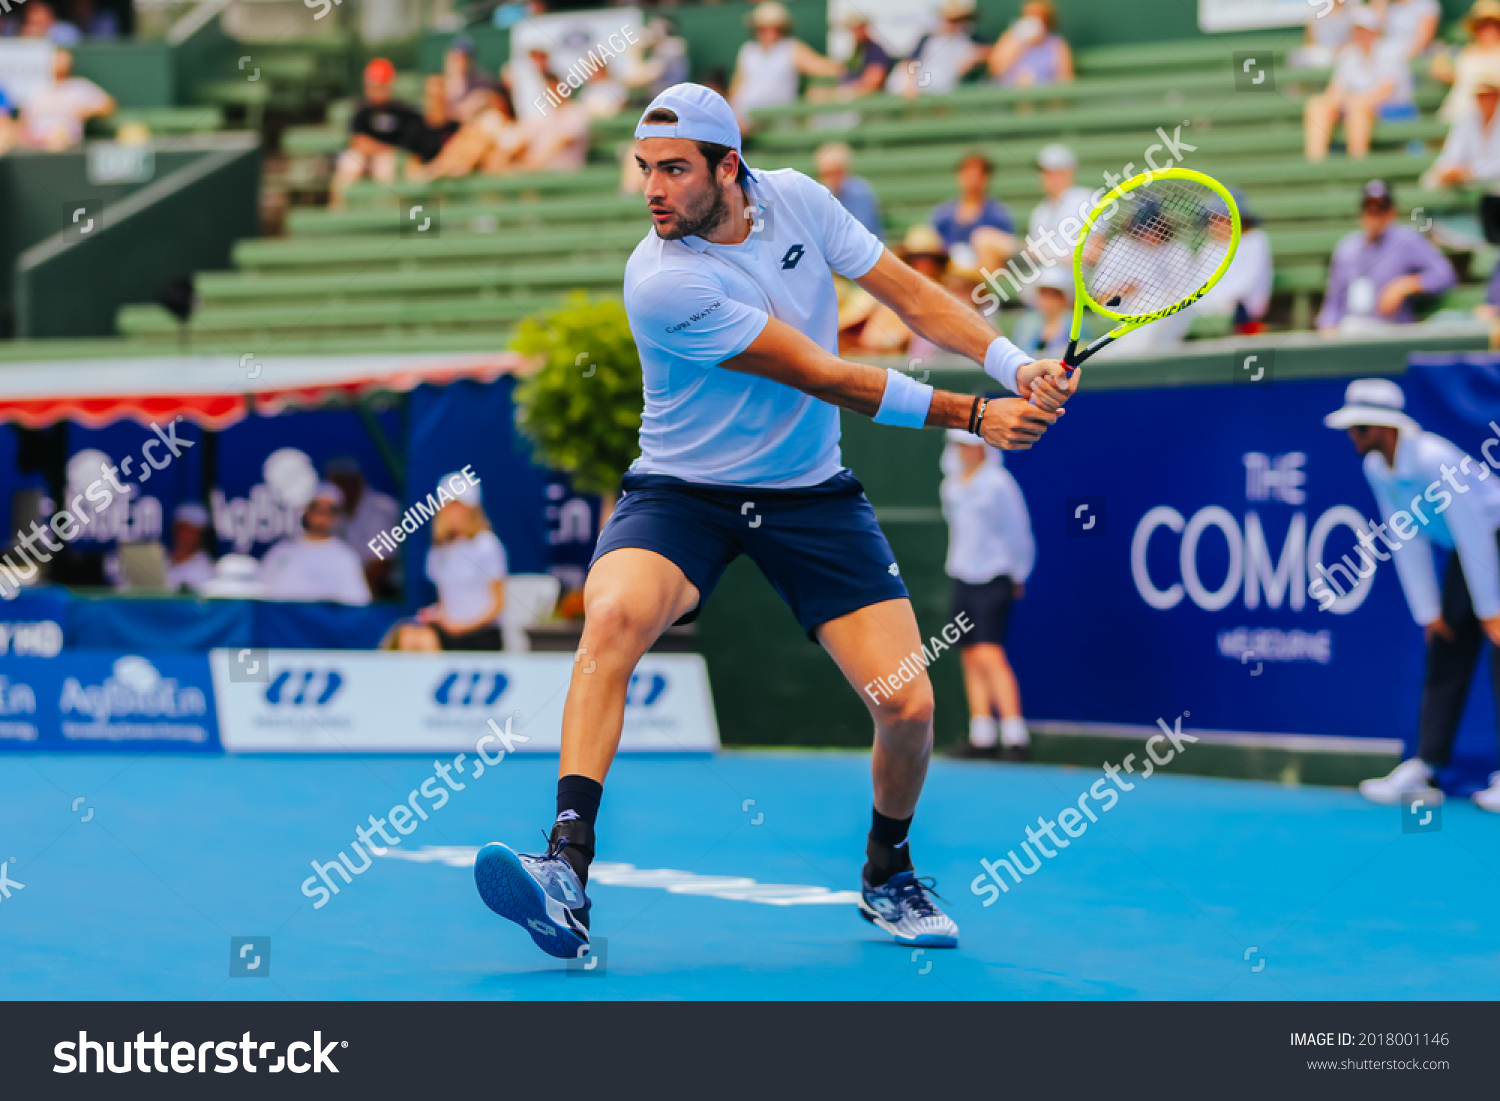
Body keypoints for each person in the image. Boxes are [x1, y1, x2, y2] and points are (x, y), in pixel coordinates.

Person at [470, 83, 1076, 962]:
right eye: (645, 169)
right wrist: (975, 415)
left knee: (907, 703)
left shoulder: (798, 198)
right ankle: (566, 865)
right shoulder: (661, 279)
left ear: (728, 165)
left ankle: (888, 872)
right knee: (611, 619)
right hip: (684, 492)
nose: (654, 189)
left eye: (674, 169)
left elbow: (905, 291)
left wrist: (1016, 366)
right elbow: (824, 375)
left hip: (808, 492)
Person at [1322, 379, 1500, 813]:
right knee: (1446, 642)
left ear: (1386, 428)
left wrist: (1491, 610)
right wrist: (1429, 611)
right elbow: (1404, 536)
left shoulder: (1434, 460)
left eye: (1360, 428)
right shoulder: (1377, 468)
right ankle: (1426, 769)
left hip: (1488, 539)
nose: (1352, 436)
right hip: (1470, 551)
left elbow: (1475, 531)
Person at [939, 430, 1035, 760]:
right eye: (960, 445)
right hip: (962, 576)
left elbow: (1017, 530)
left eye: (972, 445)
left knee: (990, 654)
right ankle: (982, 735)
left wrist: (1018, 572)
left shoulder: (998, 484)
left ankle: (1014, 736)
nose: (966, 451)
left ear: (983, 447)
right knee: (969, 653)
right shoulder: (950, 485)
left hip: (995, 576)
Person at [1316, 180, 1456, 333]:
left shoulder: (1406, 240)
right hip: (1350, 334)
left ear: (1391, 212)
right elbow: (1332, 307)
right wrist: (1328, 330)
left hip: (1391, 331)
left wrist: (1405, 285)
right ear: (1361, 213)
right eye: (1369, 209)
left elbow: (1445, 274)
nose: (1374, 216)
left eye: (1380, 209)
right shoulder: (1346, 248)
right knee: (1349, 327)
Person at [330, 59, 454, 208]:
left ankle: (384, 216)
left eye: (381, 86)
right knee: (350, 162)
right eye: (374, 86)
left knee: (386, 164)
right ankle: (337, 212)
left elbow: (415, 140)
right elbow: (358, 142)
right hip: (364, 158)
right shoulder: (361, 111)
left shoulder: (402, 112)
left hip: (390, 160)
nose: (377, 91)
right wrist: (384, 149)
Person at [1305, 7, 1416, 162]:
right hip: (1359, 106)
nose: (1360, 34)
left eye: (1364, 29)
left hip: (1393, 108)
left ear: (1374, 30)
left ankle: (1357, 162)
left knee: (1357, 106)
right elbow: (1335, 90)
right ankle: (1315, 164)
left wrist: (1351, 101)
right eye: (1357, 30)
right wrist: (1336, 101)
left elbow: (1385, 91)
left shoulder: (1390, 52)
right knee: (1317, 105)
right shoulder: (1348, 55)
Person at [419, 474, 506, 650]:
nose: (453, 512)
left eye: (459, 506)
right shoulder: (438, 550)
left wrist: (464, 627)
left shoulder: (487, 545)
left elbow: (499, 603)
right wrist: (438, 617)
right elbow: (443, 600)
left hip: (482, 637)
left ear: (472, 510)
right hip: (448, 637)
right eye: (448, 506)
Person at [728, 1, 843, 128]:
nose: (770, 33)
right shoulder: (747, 50)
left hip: (772, 116)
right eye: (764, 28)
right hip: (743, 114)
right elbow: (736, 88)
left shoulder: (791, 48)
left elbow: (824, 67)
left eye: (776, 28)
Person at [259, 484, 372, 605]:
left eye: (330, 510)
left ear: (337, 515)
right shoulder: (280, 552)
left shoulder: (346, 558)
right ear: (306, 511)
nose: (322, 514)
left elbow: (357, 605)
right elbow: (261, 597)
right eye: (316, 507)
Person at [1192, 192, 1274, 333]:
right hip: (1210, 308)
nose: (1217, 224)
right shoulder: (1209, 248)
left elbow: (1245, 285)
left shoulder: (1256, 240)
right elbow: (1198, 284)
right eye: (1214, 219)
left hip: (1245, 311)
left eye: (1223, 219)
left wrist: (1216, 301)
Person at [930, 152, 1018, 279]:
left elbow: (1004, 256)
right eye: (968, 173)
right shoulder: (943, 214)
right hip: (948, 273)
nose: (972, 179)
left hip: (980, 277)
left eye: (977, 174)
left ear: (986, 178)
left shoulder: (998, 215)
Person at [326, 456, 400, 600]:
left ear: (357, 481)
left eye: (344, 483)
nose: (340, 489)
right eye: (335, 483)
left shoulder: (383, 509)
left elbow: (380, 567)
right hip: (341, 592)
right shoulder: (332, 510)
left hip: (382, 593)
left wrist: (344, 588)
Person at [889, 0, 988, 98]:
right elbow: (909, 63)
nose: (954, 24)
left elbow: (990, 51)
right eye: (950, 20)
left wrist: (975, 56)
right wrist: (910, 84)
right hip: (921, 91)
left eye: (959, 20)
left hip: (946, 92)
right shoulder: (928, 39)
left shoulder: (970, 39)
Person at [18, 49, 113, 151]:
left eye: (64, 61)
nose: (61, 65)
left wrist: (88, 111)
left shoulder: (79, 86)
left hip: (63, 135)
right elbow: (23, 121)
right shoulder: (38, 90)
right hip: (35, 136)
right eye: (58, 61)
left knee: (56, 137)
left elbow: (109, 105)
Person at [1024, 143, 1094, 272]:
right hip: (1045, 278)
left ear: (1068, 172)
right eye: (1044, 172)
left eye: (1051, 172)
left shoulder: (1088, 199)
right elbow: (1035, 256)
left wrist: (1053, 261)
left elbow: (1094, 251)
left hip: (1078, 278)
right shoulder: (1039, 212)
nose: (1045, 178)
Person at [1424, 78, 1500, 187]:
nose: (1484, 101)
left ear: (1496, 97)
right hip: (1470, 183)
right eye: (1480, 96)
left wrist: (1470, 171)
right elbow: (1452, 152)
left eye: (1488, 96)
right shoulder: (1466, 120)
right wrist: (1447, 170)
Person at [1431, 0, 1500, 121]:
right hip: (1460, 113)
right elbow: (1448, 74)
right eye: (1483, 24)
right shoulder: (1465, 52)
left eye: (1494, 24)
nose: (1489, 29)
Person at [988, 0, 1073, 88]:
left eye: (1039, 16)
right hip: (1010, 94)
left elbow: (1066, 80)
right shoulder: (1011, 38)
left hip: (1043, 96)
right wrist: (1019, 41)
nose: (1034, 20)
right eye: (1030, 15)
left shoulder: (1058, 45)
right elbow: (995, 70)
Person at [1009, 265, 1081, 358]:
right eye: (1043, 293)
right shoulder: (1025, 323)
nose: (1047, 299)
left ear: (1063, 297)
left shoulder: (1078, 324)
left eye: (1053, 294)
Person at [815, 141, 882, 240]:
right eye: (826, 174)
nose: (832, 179)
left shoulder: (860, 193)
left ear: (846, 170)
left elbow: (861, 234)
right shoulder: (817, 196)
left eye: (836, 172)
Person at [165, 503, 215, 594]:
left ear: (201, 536)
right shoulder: (161, 558)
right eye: (184, 529)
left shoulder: (207, 569)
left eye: (194, 532)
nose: (187, 536)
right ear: (175, 529)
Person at [1291, 0, 1355, 69]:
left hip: (1343, 52)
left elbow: (1355, 39)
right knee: (1296, 56)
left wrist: (1339, 49)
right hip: (1322, 51)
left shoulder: (1352, 13)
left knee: (1350, 56)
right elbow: (1311, 40)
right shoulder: (1318, 12)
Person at [1375, 0, 1440, 59]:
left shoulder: (1425, 5)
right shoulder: (1391, 6)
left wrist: (1403, 58)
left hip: (1410, 58)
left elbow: (1424, 40)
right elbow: (1378, 34)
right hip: (1385, 55)